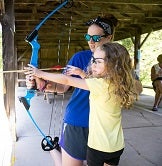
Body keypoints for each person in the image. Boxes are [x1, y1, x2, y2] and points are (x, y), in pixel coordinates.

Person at [26, 14, 118, 166]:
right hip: (78, 120)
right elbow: (62, 86)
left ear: (109, 37)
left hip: (104, 125)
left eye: (96, 38)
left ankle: (55, 149)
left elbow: (134, 87)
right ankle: (53, 149)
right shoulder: (80, 58)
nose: (91, 42)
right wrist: (40, 83)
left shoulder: (119, 59)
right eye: (88, 37)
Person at [26, 42, 139, 166]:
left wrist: (39, 73)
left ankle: (53, 149)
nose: (93, 65)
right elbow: (91, 82)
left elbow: (67, 80)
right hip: (116, 146)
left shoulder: (99, 85)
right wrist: (81, 73)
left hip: (97, 147)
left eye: (98, 61)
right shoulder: (119, 84)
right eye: (93, 60)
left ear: (113, 65)